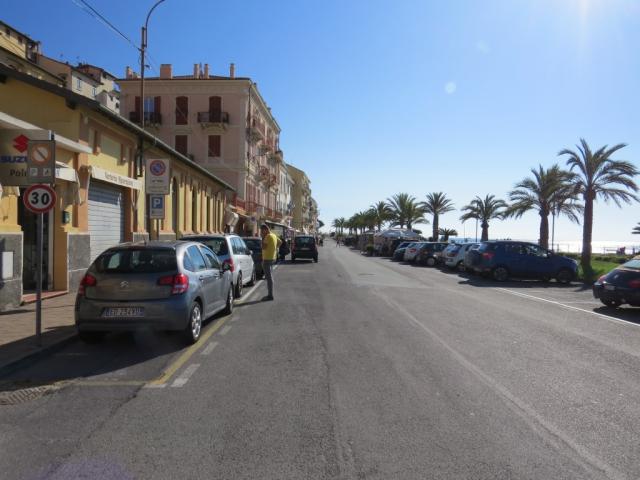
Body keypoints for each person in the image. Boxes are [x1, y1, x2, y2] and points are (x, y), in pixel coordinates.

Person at [260, 224, 281, 301]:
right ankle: (270, 294)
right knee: (269, 276)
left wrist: (262, 238)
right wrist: (274, 248)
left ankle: (270, 295)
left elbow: (263, 247)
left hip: (267, 259)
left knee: (269, 278)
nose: (261, 233)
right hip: (272, 258)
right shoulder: (273, 235)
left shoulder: (268, 236)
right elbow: (280, 242)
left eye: (262, 231)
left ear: (265, 230)